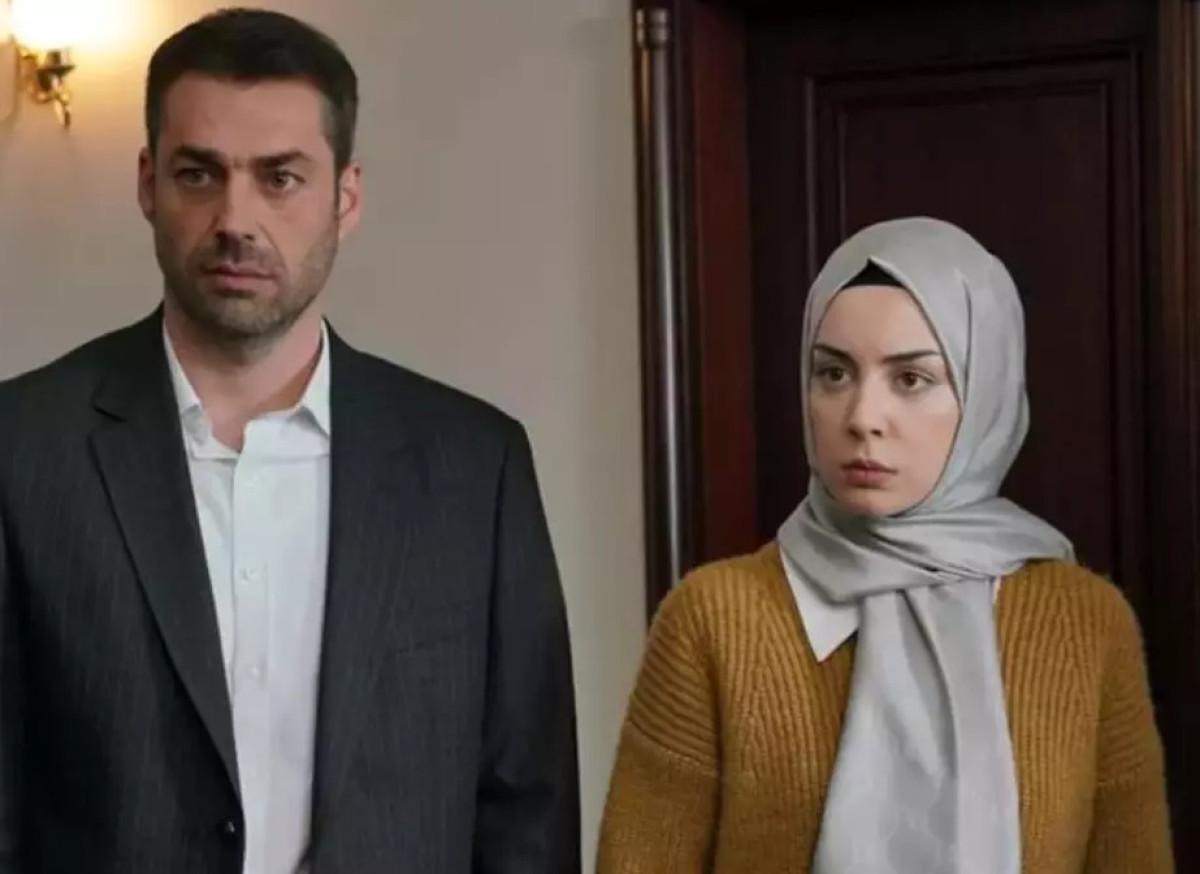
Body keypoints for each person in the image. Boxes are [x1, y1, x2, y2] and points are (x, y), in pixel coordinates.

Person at [0, 9, 579, 873]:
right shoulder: (23, 449)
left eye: (280, 178)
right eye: (200, 173)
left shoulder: (474, 467)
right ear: (148, 183)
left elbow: (527, 812)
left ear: (346, 196)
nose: (235, 218)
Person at [596, 217, 1172, 873]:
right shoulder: (713, 619)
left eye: (911, 379)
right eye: (833, 373)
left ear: (983, 391)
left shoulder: (1085, 623)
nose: (863, 417)